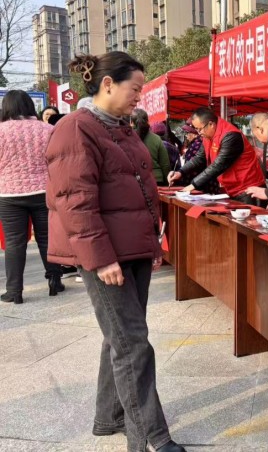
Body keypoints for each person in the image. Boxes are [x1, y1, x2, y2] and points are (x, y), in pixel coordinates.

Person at [45, 51, 186, 452]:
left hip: (132, 249)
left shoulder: (120, 128)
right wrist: (102, 258)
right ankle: (152, 438)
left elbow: (139, 188)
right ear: (107, 84)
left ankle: (109, 417)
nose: (139, 96)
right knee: (132, 343)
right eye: (135, 88)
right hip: (107, 255)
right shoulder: (76, 128)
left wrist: (151, 245)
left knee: (121, 337)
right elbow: (75, 201)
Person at [0, 90, 65, 303]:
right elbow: (58, 160)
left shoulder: (1, 130)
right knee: (47, 238)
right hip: (43, 191)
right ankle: (55, 280)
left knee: (14, 242)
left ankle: (14, 291)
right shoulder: (48, 129)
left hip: (9, 194)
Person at [167, 107, 265, 203]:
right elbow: (199, 158)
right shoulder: (207, 136)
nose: (199, 133)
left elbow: (218, 165)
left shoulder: (230, 136)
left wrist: (193, 185)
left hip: (248, 189)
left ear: (211, 124)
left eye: (200, 129)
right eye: (196, 129)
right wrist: (180, 172)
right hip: (231, 189)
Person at [130, 108, 171, 186]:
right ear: (147, 121)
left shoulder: (126, 138)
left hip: (134, 181)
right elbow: (165, 164)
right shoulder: (156, 139)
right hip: (156, 180)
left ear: (131, 122)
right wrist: (167, 181)